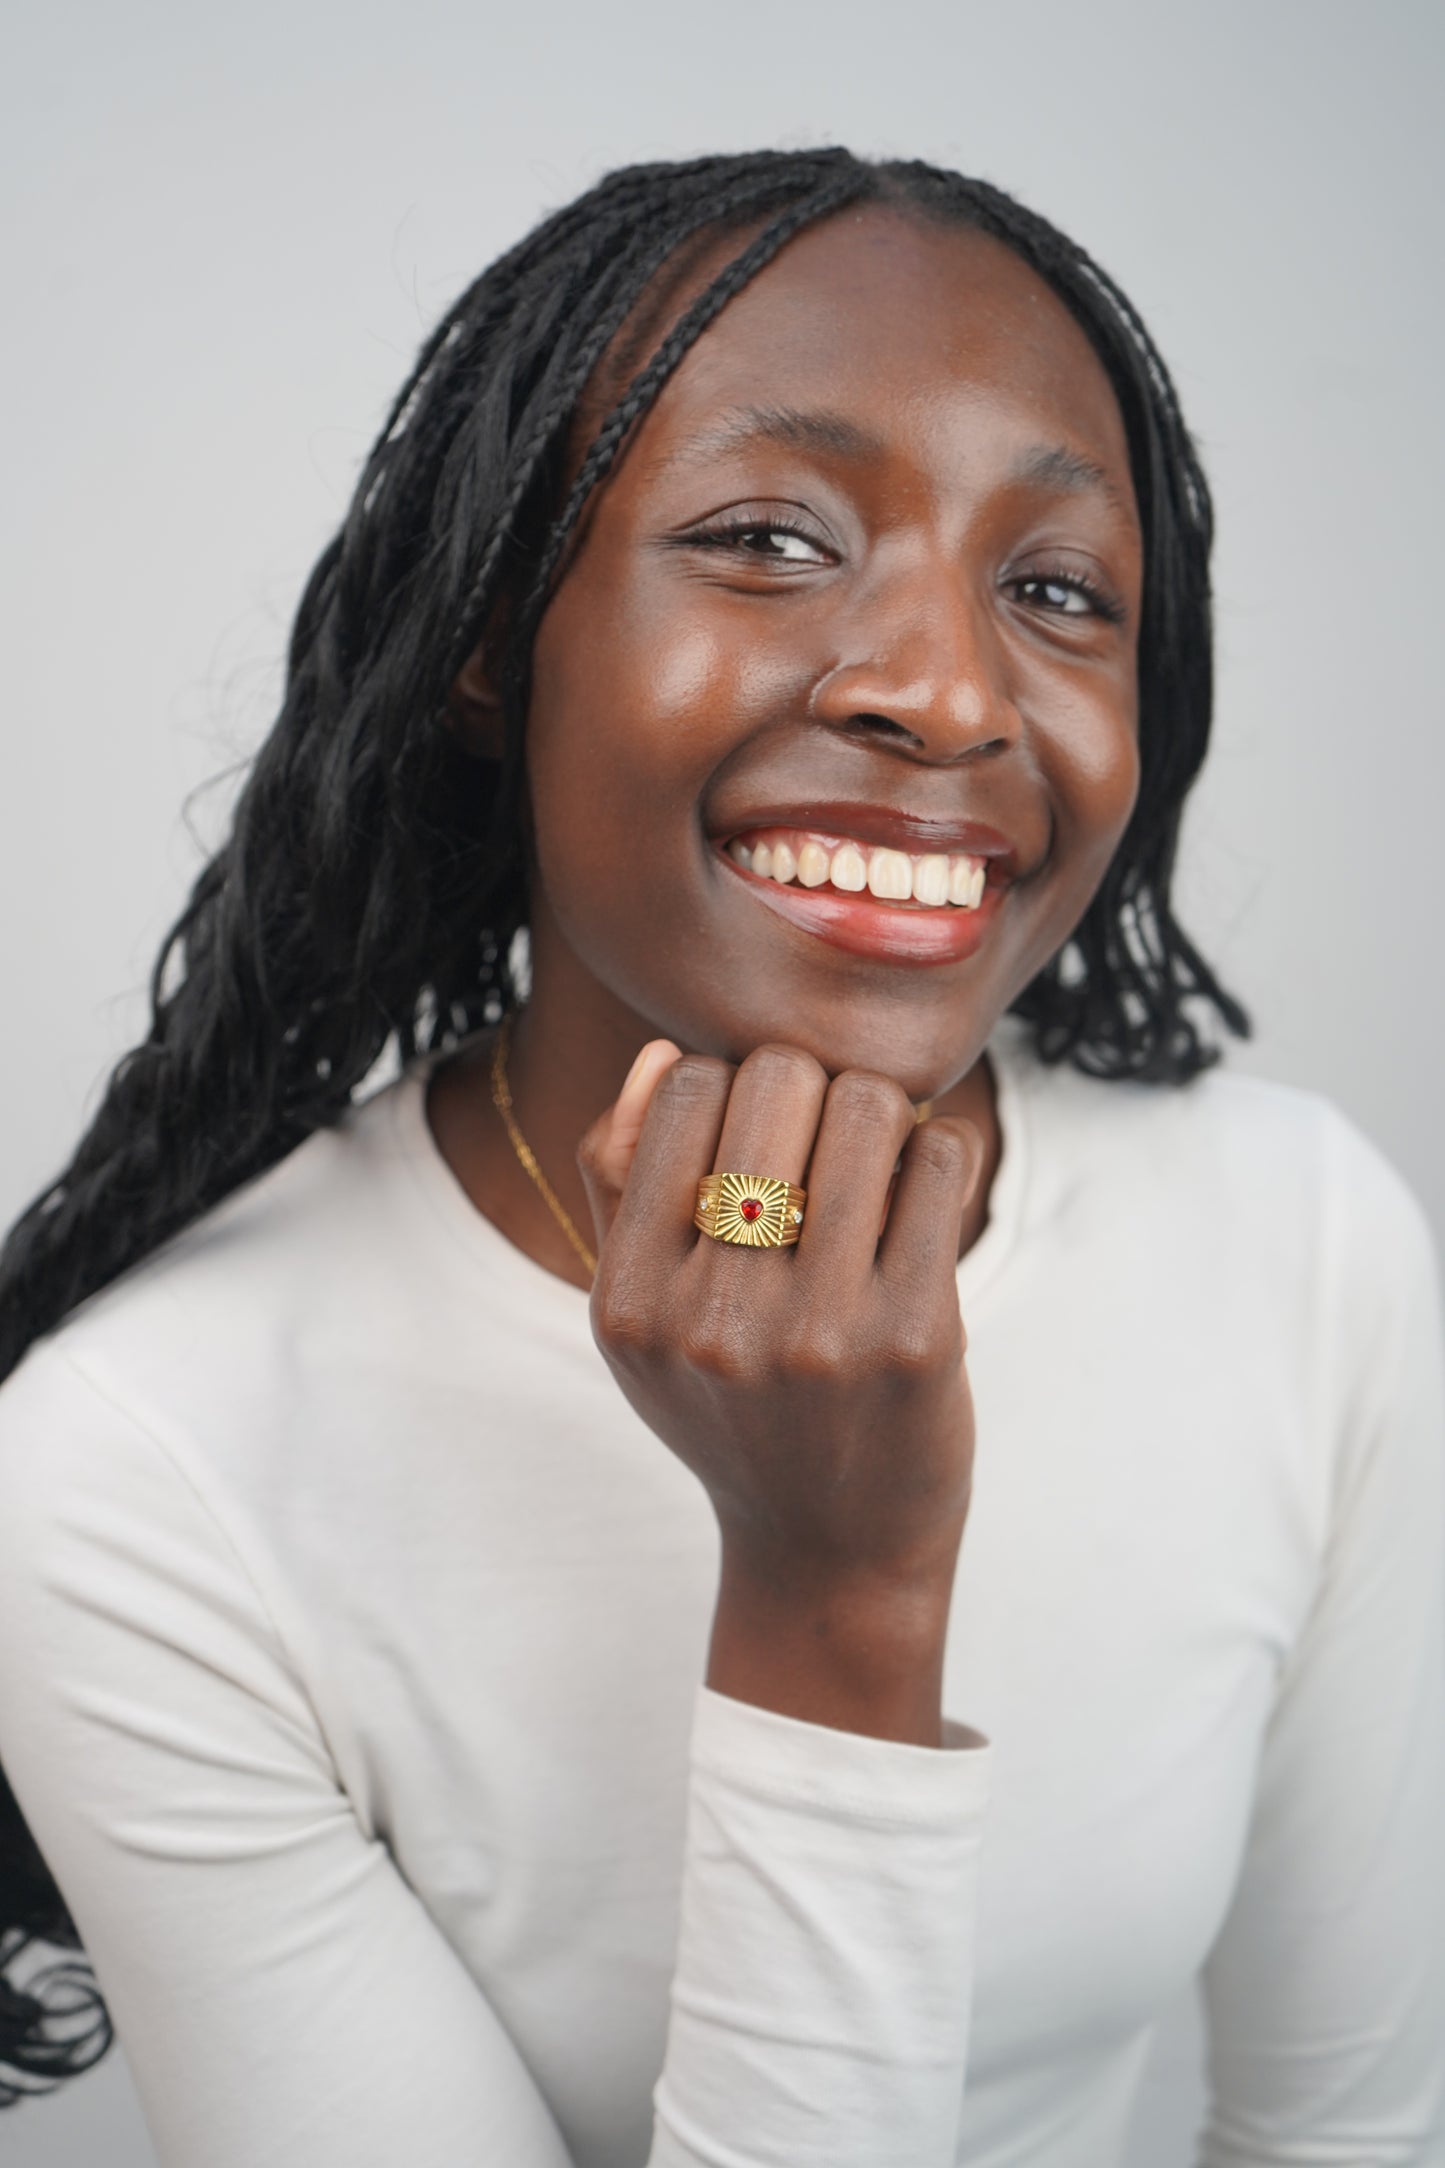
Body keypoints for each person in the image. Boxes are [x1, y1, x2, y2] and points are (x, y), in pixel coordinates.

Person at [0, 145, 1440, 2168]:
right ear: (496, 636)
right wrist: (832, 1605)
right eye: (769, 535)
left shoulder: (1306, 1250)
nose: (948, 693)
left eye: (1056, 591)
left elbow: (1344, 2137)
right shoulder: (139, 1463)